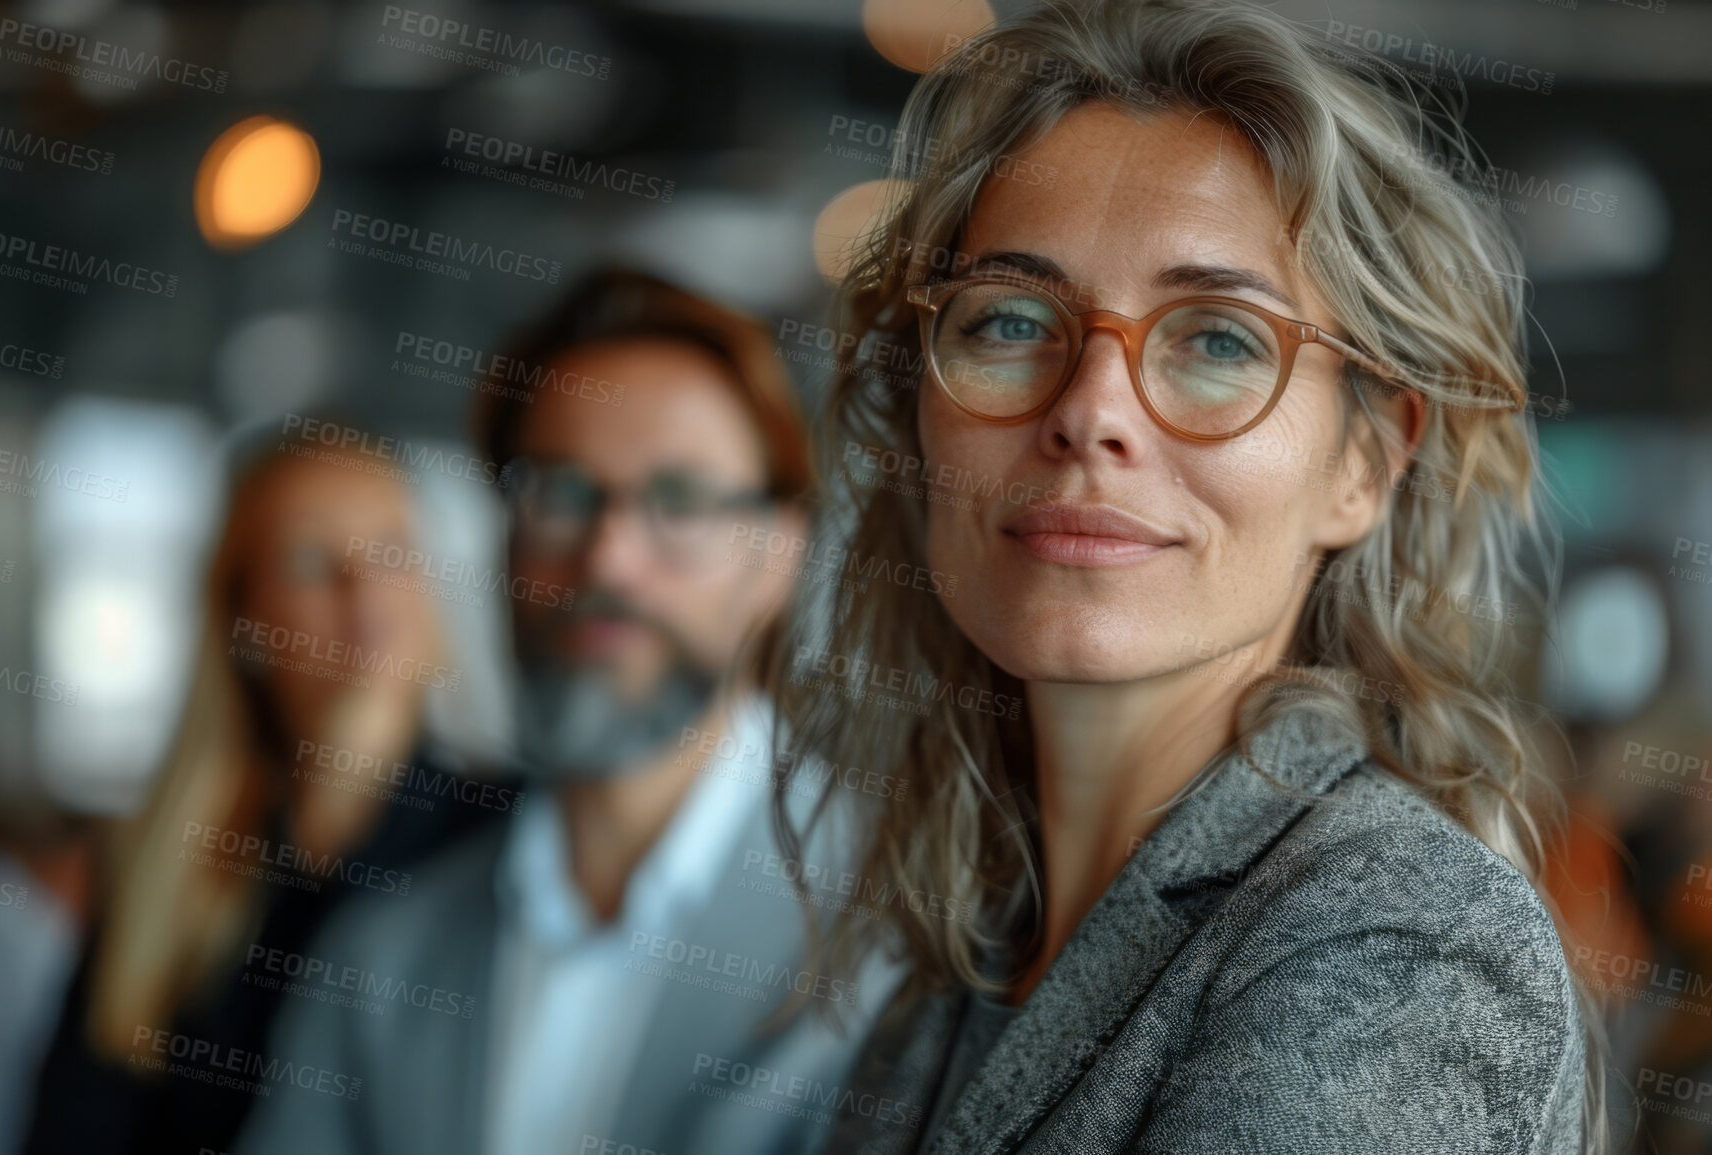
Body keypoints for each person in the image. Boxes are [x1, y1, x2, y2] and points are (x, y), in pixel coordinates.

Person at [748, 1, 1614, 1152]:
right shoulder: (959, 975)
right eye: (1010, 321)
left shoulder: (1399, 946)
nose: (1090, 411)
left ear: (1363, 461)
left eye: (1216, 339)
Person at [236, 267, 907, 1155]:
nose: (609, 560)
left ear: (779, 555)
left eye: (679, 499)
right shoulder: (382, 959)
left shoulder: (905, 930)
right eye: (559, 491)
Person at [23, 437, 499, 1155]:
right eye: (311, 559)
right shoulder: (161, 864)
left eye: (392, 550)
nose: (362, 588)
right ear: (243, 616)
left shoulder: (509, 838)